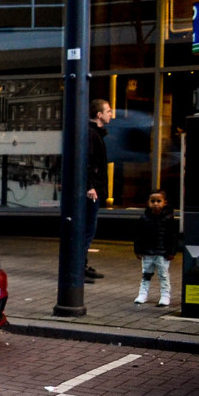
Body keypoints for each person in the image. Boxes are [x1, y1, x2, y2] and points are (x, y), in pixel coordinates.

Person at [133, 188, 177, 307]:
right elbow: (138, 236)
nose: (156, 204)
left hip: (162, 253)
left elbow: (173, 236)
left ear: (164, 202)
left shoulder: (169, 219)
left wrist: (171, 251)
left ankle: (165, 295)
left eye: (159, 201)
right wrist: (138, 250)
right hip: (147, 252)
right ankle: (143, 294)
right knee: (146, 274)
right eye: (153, 201)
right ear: (148, 202)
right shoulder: (144, 218)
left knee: (163, 275)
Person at [84, 99, 113, 283]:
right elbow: (87, 162)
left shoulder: (96, 134)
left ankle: (82, 265)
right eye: (108, 111)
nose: (111, 114)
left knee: (88, 229)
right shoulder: (91, 134)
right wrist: (90, 186)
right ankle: (79, 267)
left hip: (95, 189)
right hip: (92, 192)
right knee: (87, 229)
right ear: (99, 115)